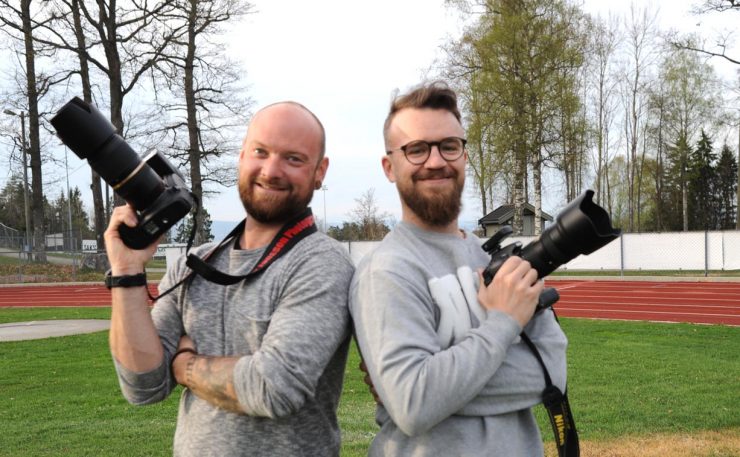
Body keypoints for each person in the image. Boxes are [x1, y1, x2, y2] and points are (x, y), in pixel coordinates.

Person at [105, 101, 354, 456]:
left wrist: (185, 366)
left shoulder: (321, 263)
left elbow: (273, 387)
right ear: (241, 156)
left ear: (320, 171)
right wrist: (127, 271)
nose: (271, 170)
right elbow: (143, 385)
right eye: (260, 152)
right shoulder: (194, 265)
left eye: (293, 158)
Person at [349, 82, 569, 456]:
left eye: (449, 146)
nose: (436, 161)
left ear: (464, 156)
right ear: (390, 167)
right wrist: (503, 323)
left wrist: (439, 386)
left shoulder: (497, 261)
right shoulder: (385, 271)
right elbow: (415, 404)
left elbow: (552, 373)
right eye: (416, 149)